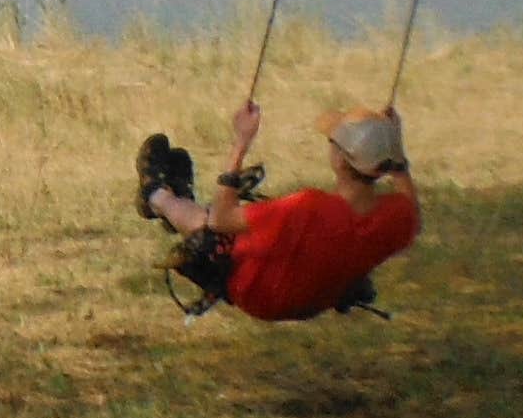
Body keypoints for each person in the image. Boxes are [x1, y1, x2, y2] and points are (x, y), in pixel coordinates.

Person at [136, 100, 419, 321]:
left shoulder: (309, 207)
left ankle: (157, 195)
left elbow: (220, 220)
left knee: (209, 229)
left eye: (332, 143)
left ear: (340, 161)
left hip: (260, 294)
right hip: (316, 299)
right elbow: (411, 209)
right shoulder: (397, 217)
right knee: (257, 219)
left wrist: (241, 143)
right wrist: (393, 148)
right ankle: (179, 195)